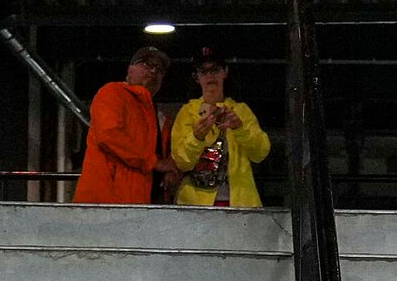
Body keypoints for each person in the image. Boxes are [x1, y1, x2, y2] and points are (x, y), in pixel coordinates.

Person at [170, 51, 272, 208]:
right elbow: (182, 162)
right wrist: (196, 137)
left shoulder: (241, 110)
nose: (210, 76)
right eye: (203, 71)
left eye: (215, 70)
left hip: (240, 203)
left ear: (225, 72)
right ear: (196, 78)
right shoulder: (187, 112)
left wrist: (240, 128)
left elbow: (260, 153)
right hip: (195, 206)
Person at [76, 46, 168, 204]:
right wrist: (154, 162)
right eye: (146, 64)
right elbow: (109, 135)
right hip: (104, 204)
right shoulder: (111, 92)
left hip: (139, 207)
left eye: (159, 69)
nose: (153, 71)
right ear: (130, 68)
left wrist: (170, 172)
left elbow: (165, 161)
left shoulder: (161, 119)